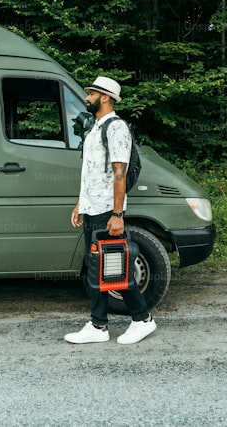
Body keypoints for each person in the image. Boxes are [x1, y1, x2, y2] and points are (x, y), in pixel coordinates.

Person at [64, 76, 156, 345]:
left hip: (107, 212)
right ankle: (98, 325)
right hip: (94, 209)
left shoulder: (117, 129)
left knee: (116, 268)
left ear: (104, 97)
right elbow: (90, 173)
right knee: (95, 268)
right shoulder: (95, 128)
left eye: (90, 93)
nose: (87, 97)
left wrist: (117, 214)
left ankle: (142, 320)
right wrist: (81, 204)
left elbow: (120, 172)